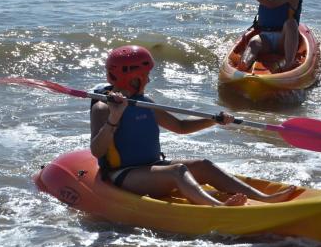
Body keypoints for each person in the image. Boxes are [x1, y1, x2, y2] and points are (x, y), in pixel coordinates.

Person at [90, 45, 296, 206]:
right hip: (124, 175)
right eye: (144, 75)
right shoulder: (103, 108)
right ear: (130, 78)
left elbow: (180, 126)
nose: (149, 79)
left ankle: (263, 198)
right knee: (177, 171)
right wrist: (114, 118)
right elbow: (97, 150)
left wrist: (213, 119)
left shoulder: (145, 103)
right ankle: (217, 207)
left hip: (152, 168)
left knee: (203, 165)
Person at [239, 0, 302, 72]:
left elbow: (271, 3)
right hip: (265, 38)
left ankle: (289, 62)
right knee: (254, 43)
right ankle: (243, 66)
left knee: (291, 23)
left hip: (283, 38)